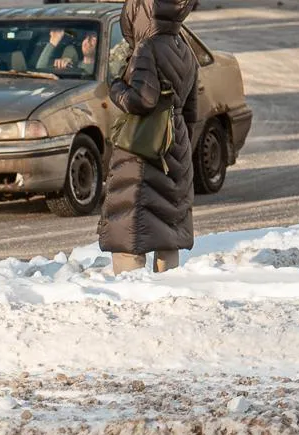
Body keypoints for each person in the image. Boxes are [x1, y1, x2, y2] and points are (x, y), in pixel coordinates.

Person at [99, 0, 200, 274]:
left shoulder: (146, 48)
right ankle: (168, 288)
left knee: (131, 228)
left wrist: (116, 86)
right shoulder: (185, 49)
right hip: (175, 146)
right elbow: (191, 112)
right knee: (167, 228)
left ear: (137, 14)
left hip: (143, 149)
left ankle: (130, 297)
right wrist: (180, 146)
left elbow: (142, 100)